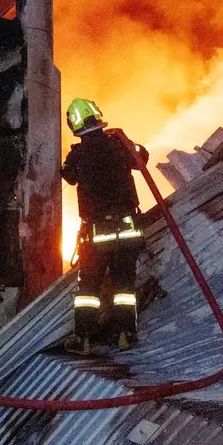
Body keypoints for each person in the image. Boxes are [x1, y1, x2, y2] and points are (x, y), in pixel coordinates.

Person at [60, 98, 148, 354]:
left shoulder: (77, 155)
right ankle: (125, 334)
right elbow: (142, 158)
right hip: (128, 230)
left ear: (73, 125)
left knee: (88, 288)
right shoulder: (119, 146)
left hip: (97, 235)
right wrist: (128, 142)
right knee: (124, 287)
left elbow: (68, 175)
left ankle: (83, 339)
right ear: (98, 116)